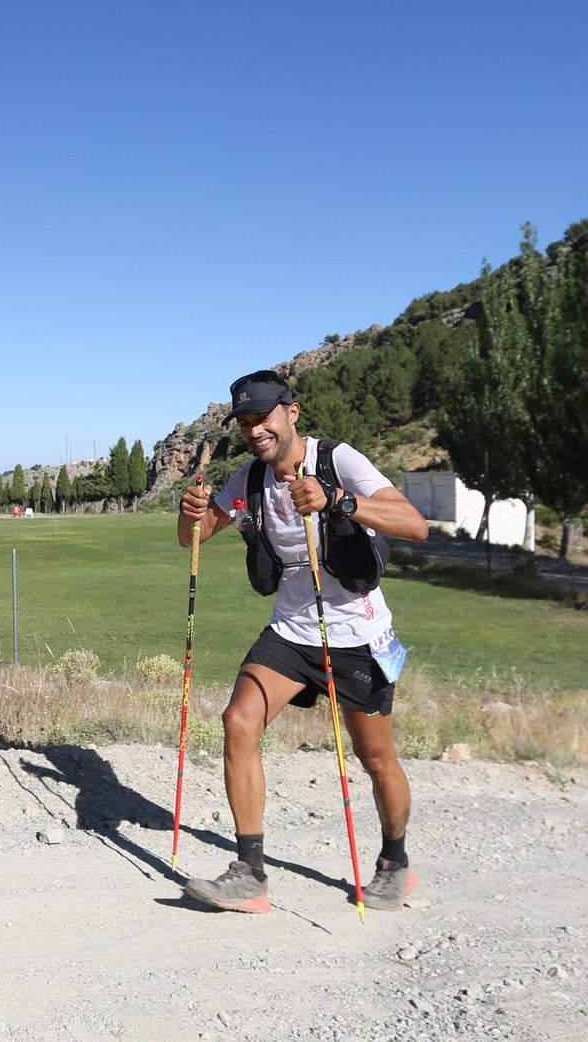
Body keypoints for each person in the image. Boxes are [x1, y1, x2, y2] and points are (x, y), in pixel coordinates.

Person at [176, 368, 430, 914]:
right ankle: (250, 873)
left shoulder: (339, 461)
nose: (254, 430)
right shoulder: (248, 478)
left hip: (356, 635)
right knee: (238, 721)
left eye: (262, 417)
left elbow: (414, 524)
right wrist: (190, 513)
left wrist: (339, 501)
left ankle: (394, 861)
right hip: (292, 631)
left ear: (292, 412)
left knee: (376, 757)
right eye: (244, 422)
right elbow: (192, 537)